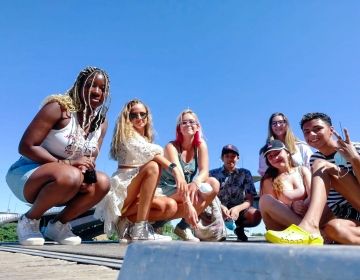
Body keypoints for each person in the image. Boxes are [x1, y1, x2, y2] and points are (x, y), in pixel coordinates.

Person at [6, 66, 111, 246]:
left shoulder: (101, 123)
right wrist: (67, 163)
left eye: (102, 88)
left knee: (102, 182)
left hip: (69, 178)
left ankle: (59, 226)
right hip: (28, 173)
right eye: (90, 85)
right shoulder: (58, 108)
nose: (97, 91)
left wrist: (85, 171)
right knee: (70, 174)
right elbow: (26, 146)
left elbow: (91, 158)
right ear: (78, 86)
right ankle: (30, 221)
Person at [95, 99, 184, 242]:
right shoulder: (126, 136)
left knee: (169, 207)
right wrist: (175, 170)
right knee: (153, 166)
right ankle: (140, 228)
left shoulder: (144, 139)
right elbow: (155, 153)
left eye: (143, 114)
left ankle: (128, 223)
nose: (139, 118)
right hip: (124, 191)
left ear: (148, 116)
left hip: (135, 195)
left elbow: (154, 153)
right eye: (133, 115)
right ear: (127, 118)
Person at [265, 112, 360, 245]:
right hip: (348, 215)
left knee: (321, 165)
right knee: (334, 229)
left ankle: (309, 227)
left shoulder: (355, 148)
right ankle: (311, 228)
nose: (311, 135)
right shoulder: (315, 158)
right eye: (307, 132)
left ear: (331, 130)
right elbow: (326, 198)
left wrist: (355, 159)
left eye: (317, 129)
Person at [157, 109, 220, 242]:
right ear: (179, 128)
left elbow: (204, 171)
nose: (188, 124)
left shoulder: (201, 145)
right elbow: (179, 176)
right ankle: (157, 224)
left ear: (198, 126)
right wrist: (190, 206)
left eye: (192, 121)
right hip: (167, 188)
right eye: (184, 122)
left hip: (184, 187)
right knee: (190, 195)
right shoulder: (171, 147)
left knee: (213, 184)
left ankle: (183, 227)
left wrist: (196, 183)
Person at [209, 144, 261, 241]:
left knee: (255, 215)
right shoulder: (212, 174)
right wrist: (221, 207)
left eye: (233, 156)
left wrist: (237, 209)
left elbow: (249, 200)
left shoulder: (245, 173)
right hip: (217, 208)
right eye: (227, 156)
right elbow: (208, 196)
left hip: (238, 209)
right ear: (222, 158)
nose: (230, 159)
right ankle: (214, 230)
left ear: (238, 158)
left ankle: (239, 228)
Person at [259, 140, 311, 231]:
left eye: (277, 153)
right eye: (270, 156)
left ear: (287, 152)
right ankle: (308, 230)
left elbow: (314, 195)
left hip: (307, 216)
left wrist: (303, 205)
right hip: (281, 226)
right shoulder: (269, 179)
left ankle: (308, 228)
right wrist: (292, 206)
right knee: (264, 200)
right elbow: (272, 208)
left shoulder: (302, 170)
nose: (275, 158)